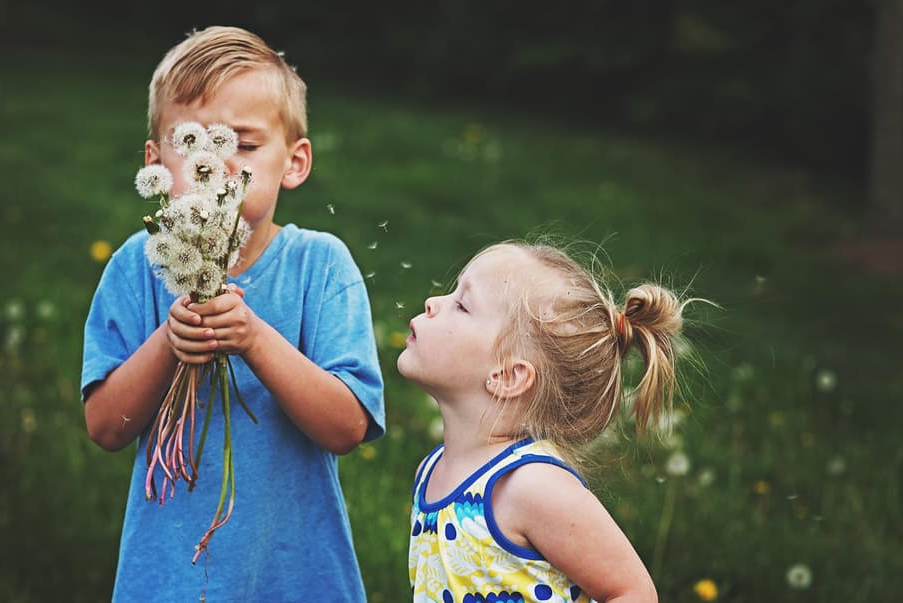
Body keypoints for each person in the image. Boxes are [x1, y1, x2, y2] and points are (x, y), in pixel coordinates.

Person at [81, 26, 385, 601]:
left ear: (294, 163)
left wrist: (253, 339)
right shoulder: (134, 266)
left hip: (294, 575)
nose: (214, 165)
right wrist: (169, 344)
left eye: (242, 146)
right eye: (190, 142)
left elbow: (347, 427)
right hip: (170, 577)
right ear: (154, 160)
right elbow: (104, 426)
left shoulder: (320, 266)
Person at [399, 241, 698, 602]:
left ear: (508, 376)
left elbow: (632, 592)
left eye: (462, 305)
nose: (433, 302)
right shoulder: (430, 471)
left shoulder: (533, 487)